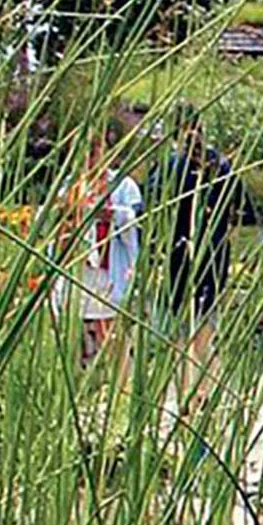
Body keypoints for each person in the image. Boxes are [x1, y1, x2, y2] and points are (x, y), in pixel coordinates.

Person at [149, 107, 253, 401]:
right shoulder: (221, 166)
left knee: (180, 326)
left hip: (178, 252)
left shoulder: (167, 167)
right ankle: (203, 389)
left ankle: (186, 391)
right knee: (205, 323)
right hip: (214, 251)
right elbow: (242, 210)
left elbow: (151, 209)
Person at [66, 113, 144, 367]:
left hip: (110, 268)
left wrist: (112, 215)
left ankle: (121, 389)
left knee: (112, 334)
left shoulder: (122, 185)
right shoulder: (70, 185)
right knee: (75, 332)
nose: (90, 159)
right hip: (80, 271)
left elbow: (136, 218)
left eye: (94, 152)